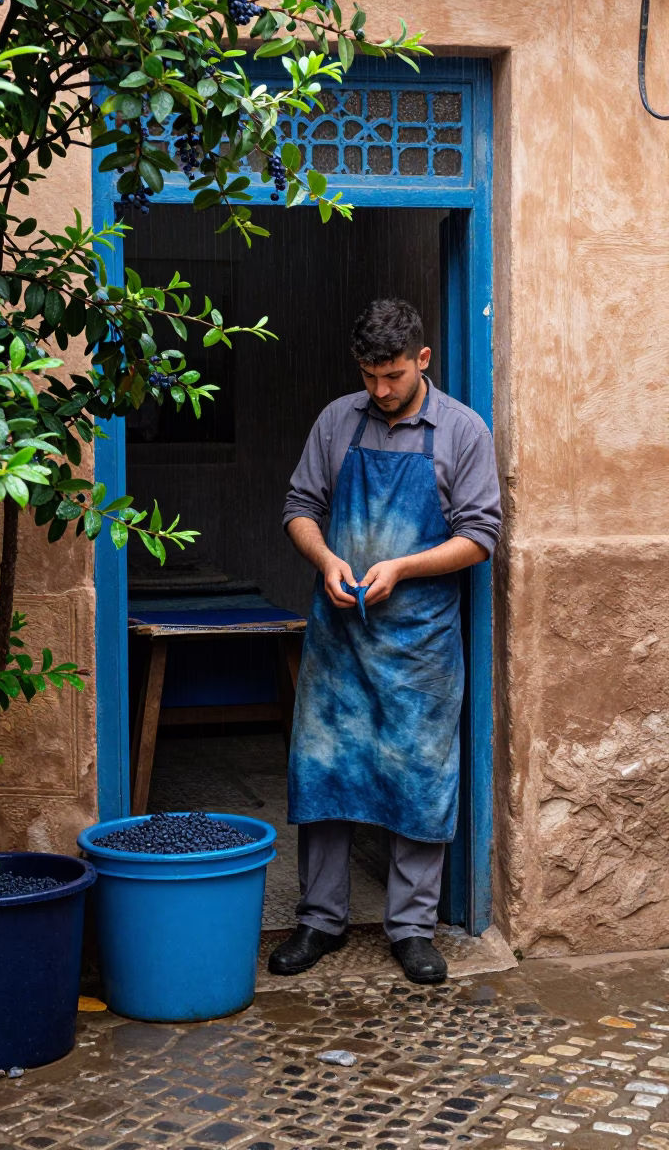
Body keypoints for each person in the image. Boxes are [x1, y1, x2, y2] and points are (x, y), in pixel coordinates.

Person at [268, 298, 501, 984]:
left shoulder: (462, 431)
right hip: (339, 642)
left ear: (422, 360)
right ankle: (319, 920)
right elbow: (299, 508)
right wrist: (326, 561)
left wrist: (403, 566)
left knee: (419, 776)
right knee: (325, 769)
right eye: (370, 376)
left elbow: (481, 537)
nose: (380, 390)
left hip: (421, 647)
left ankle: (411, 929)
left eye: (393, 375)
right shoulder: (337, 421)